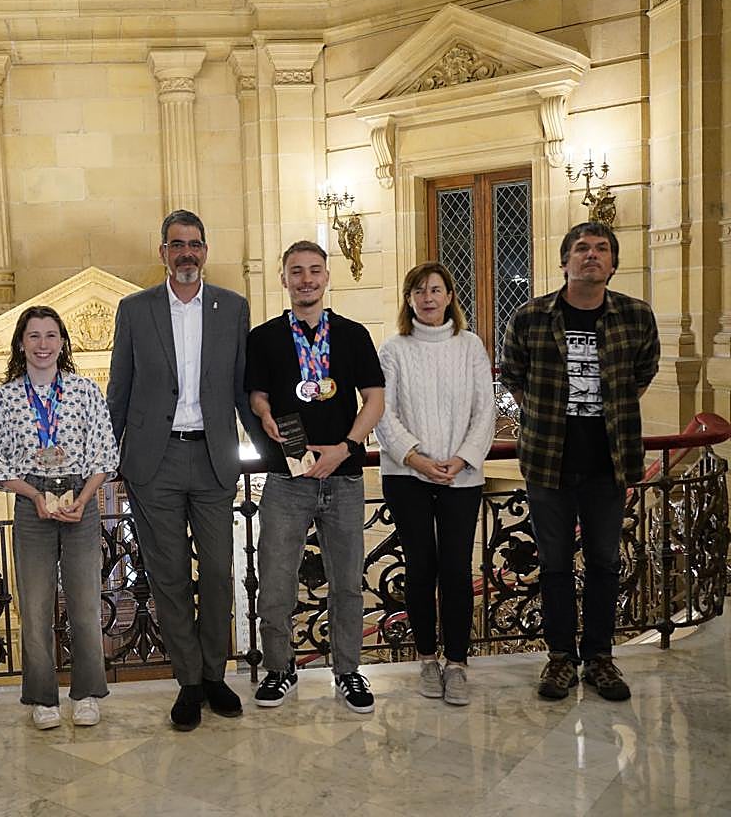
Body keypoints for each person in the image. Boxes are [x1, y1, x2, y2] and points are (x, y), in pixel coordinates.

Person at [106, 209, 255, 731]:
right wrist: (107, 461)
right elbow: (118, 389)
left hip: (214, 458)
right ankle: (189, 683)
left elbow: (241, 389)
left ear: (205, 251)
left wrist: (274, 451)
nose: (186, 252)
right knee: (168, 577)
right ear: (163, 252)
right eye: (176, 244)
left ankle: (215, 675)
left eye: (194, 244)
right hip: (155, 461)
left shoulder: (233, 308)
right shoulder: (135, 309)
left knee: (217, 572)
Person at [501, 221, 659, 702]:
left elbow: (643, 372)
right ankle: (559, 660)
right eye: (582, 248)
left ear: (613, 263)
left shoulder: (635, 315)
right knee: (552, 565)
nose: (592, 255)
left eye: (602, 249)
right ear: (564, 260)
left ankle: (599, 659)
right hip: (549, 463)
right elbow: (513, 375)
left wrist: (605, 414)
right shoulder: (530, 316)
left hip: (609, 464)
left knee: (605, 564)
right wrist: (548, 418)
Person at [245, 240, 384, 714]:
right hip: (287, 479)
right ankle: (279, 669)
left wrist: (345, 447)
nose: (306, 279)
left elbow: (375, 401)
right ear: (283, 279)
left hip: (343, 476)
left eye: (314, 270)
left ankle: (348, 671)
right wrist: (264, 415)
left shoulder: (352, 335)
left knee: (347, 581)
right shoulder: (263, 337)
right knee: (277, 580)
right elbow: (256, 395)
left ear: (327, 277)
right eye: (296, 271)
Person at [0, 306, 119, 730]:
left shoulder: (85, 392)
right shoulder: (3, 398)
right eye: (34, 336)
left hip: (81, 499)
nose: (43, 345)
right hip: (31, 502)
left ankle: (86, 694)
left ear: (63, 343)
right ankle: (43, 698)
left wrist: (83, 498)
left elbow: (105, 453)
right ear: (21, 343)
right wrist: (34, 495)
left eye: (51, 336)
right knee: (37, 606)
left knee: (84, 603)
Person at [375, 261, 494, 706]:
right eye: (419, 290)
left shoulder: (470, 346)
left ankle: (458, 664)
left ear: (449, 297)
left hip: (462, 476)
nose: (428, 297)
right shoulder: (394, 348)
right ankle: (427, 658)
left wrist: (462, 457)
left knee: (457, 570)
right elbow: (381, 411)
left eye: (436, 290)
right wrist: (417, 458)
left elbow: (485, 409)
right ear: (409, 299)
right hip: (407, 476)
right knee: (420, 567)